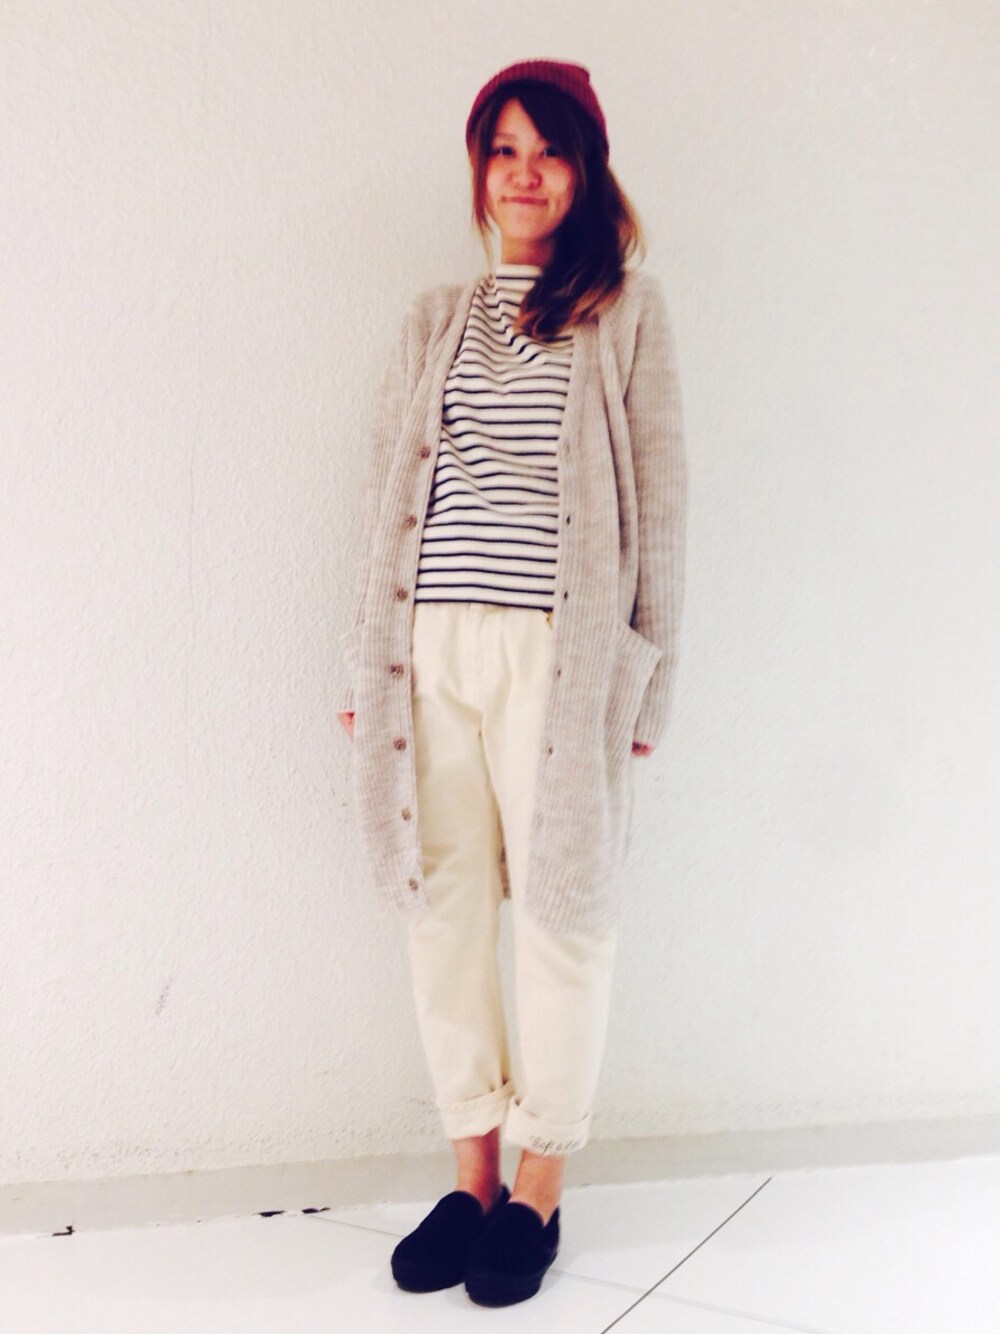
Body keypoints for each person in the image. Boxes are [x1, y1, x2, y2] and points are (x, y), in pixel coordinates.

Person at [336, 57, 685, 1307]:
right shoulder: (435, 317)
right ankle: (470, 1174)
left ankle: (539, 1179)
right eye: (503, 150)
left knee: (560, 913)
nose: (524, 173)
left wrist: (645, 683)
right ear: (479, 170)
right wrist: (364, 669)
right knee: (441, 911)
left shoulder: (623, 312)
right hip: (426, 649)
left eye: (549, 151)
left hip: (557, 655)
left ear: (584, 170)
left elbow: (663, 507)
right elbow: (384, 502)